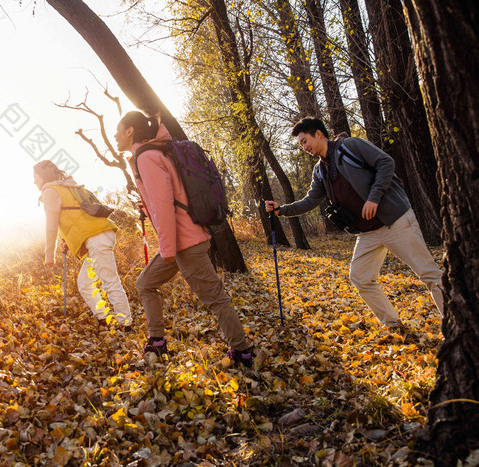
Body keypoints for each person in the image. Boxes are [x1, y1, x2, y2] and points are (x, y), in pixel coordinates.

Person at [265, 116, 443, 328]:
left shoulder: (350, 146)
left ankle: (458, 323)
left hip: (394, 221)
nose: (303, 147)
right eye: (301, 144)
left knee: (428, 273)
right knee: (360, 277)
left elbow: (386, 162)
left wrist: (373, 197)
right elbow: (311, 200)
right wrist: (281, 210)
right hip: (367, 232)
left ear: (318, 134)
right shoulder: (320, 170)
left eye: (304, 141)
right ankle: (393, 324)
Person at [115, 111, 254, 366]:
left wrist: (167, 247)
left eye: (118, 129)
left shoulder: (146, 157)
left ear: (130, 131)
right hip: (184, 239)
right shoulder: (153, 153)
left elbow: (165, 203)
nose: (114, 135)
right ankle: (157, 342)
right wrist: (146, 209)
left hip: (185, 243)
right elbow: (168, 198)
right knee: (145, 283)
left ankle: (242, 352)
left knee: (215, 298)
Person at [34, 160, 132, 330]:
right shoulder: (69, 186)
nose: (34, 181)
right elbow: (74, 215)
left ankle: (127, 326)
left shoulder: (50, 191)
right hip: (100, 234)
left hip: (97, 237)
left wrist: (49, 255)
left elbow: (51, 226)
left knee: (110, 281)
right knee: (85, 284)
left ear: (43, 177)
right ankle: (104, 319)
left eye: (35, 177)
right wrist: (66, 240)